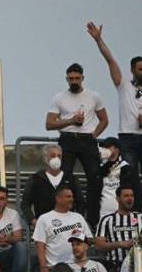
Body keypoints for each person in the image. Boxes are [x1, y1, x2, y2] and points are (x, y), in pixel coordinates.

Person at [87, 21, 142, 191]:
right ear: (132, 70)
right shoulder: (123, 85)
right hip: (127, 136)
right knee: (128, 174)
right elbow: (110, 61)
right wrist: (99, 40)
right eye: (141, 69)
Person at [46, 61, 109, 225]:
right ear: (66, 79)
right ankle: (68, 216)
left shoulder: (93, 96)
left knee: (95, 179)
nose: (74, 81)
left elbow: (104, 120)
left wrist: (94, 135)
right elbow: (49, 124)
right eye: (71, 78)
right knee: (64, 179)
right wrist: (70, 121)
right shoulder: (59, 97)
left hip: (87, 139)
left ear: (83, 78)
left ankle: (93, 220)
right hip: (67, 138)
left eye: (77, 78)